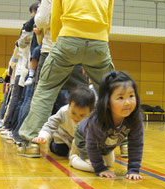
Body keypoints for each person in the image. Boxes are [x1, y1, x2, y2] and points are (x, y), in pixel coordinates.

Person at [18, 0, 115, 157]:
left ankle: (31, 143)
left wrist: (58, 43)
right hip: (99, 41)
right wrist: (100, 41)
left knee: (46, 89)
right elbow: (108, 17)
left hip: (68, 38)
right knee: (110, 92)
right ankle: (120, 142)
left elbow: (56, 16)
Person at [72, 71, 143, 180]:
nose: (128, 102)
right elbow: (91, 145)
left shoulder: (135, 118)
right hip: (84, 138)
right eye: (120, 98)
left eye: (131, 96)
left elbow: (136, 144)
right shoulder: (98, 120)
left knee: (109, 163)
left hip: (104, 144)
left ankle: (97, 161)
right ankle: (74, 158)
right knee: (94, 167)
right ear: (107, 102)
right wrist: (100, 169)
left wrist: (133, 169)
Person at [18, 87, 95, 157]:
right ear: (69, 105)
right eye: (73, 113)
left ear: (91, 111)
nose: (76, 117)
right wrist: (43, 136)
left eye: (82, 115)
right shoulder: (63, 111)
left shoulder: (94, 117)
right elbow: (50, 124)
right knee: (58, 149)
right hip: (63, 140)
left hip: (81, 141)